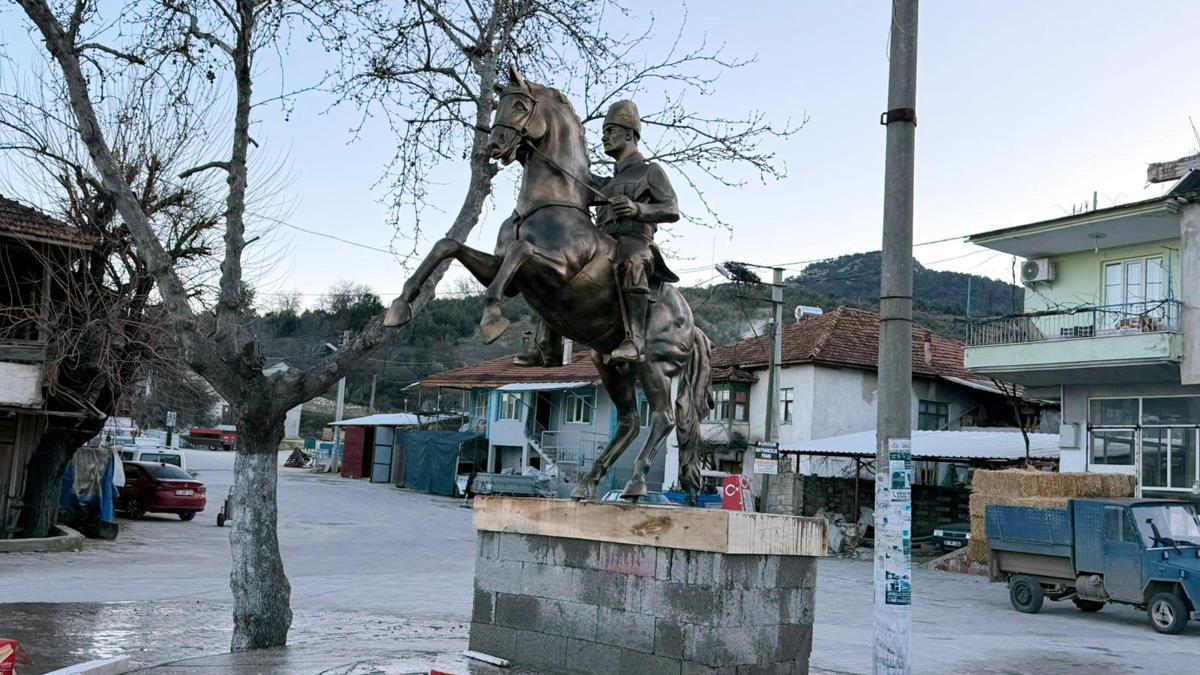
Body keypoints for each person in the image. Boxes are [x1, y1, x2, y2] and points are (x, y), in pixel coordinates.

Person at [511, 99, 680, 366]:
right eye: (603, 132)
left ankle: (635, 339)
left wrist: (637, 209)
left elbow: (672, 208)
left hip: (634, 240)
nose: (604, 137)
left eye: (611, 130)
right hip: (601, 242)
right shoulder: (606, 182)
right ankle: (548, 345)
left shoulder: (650, 171)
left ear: (630, 134)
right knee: (555, 262)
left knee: (632, 260)